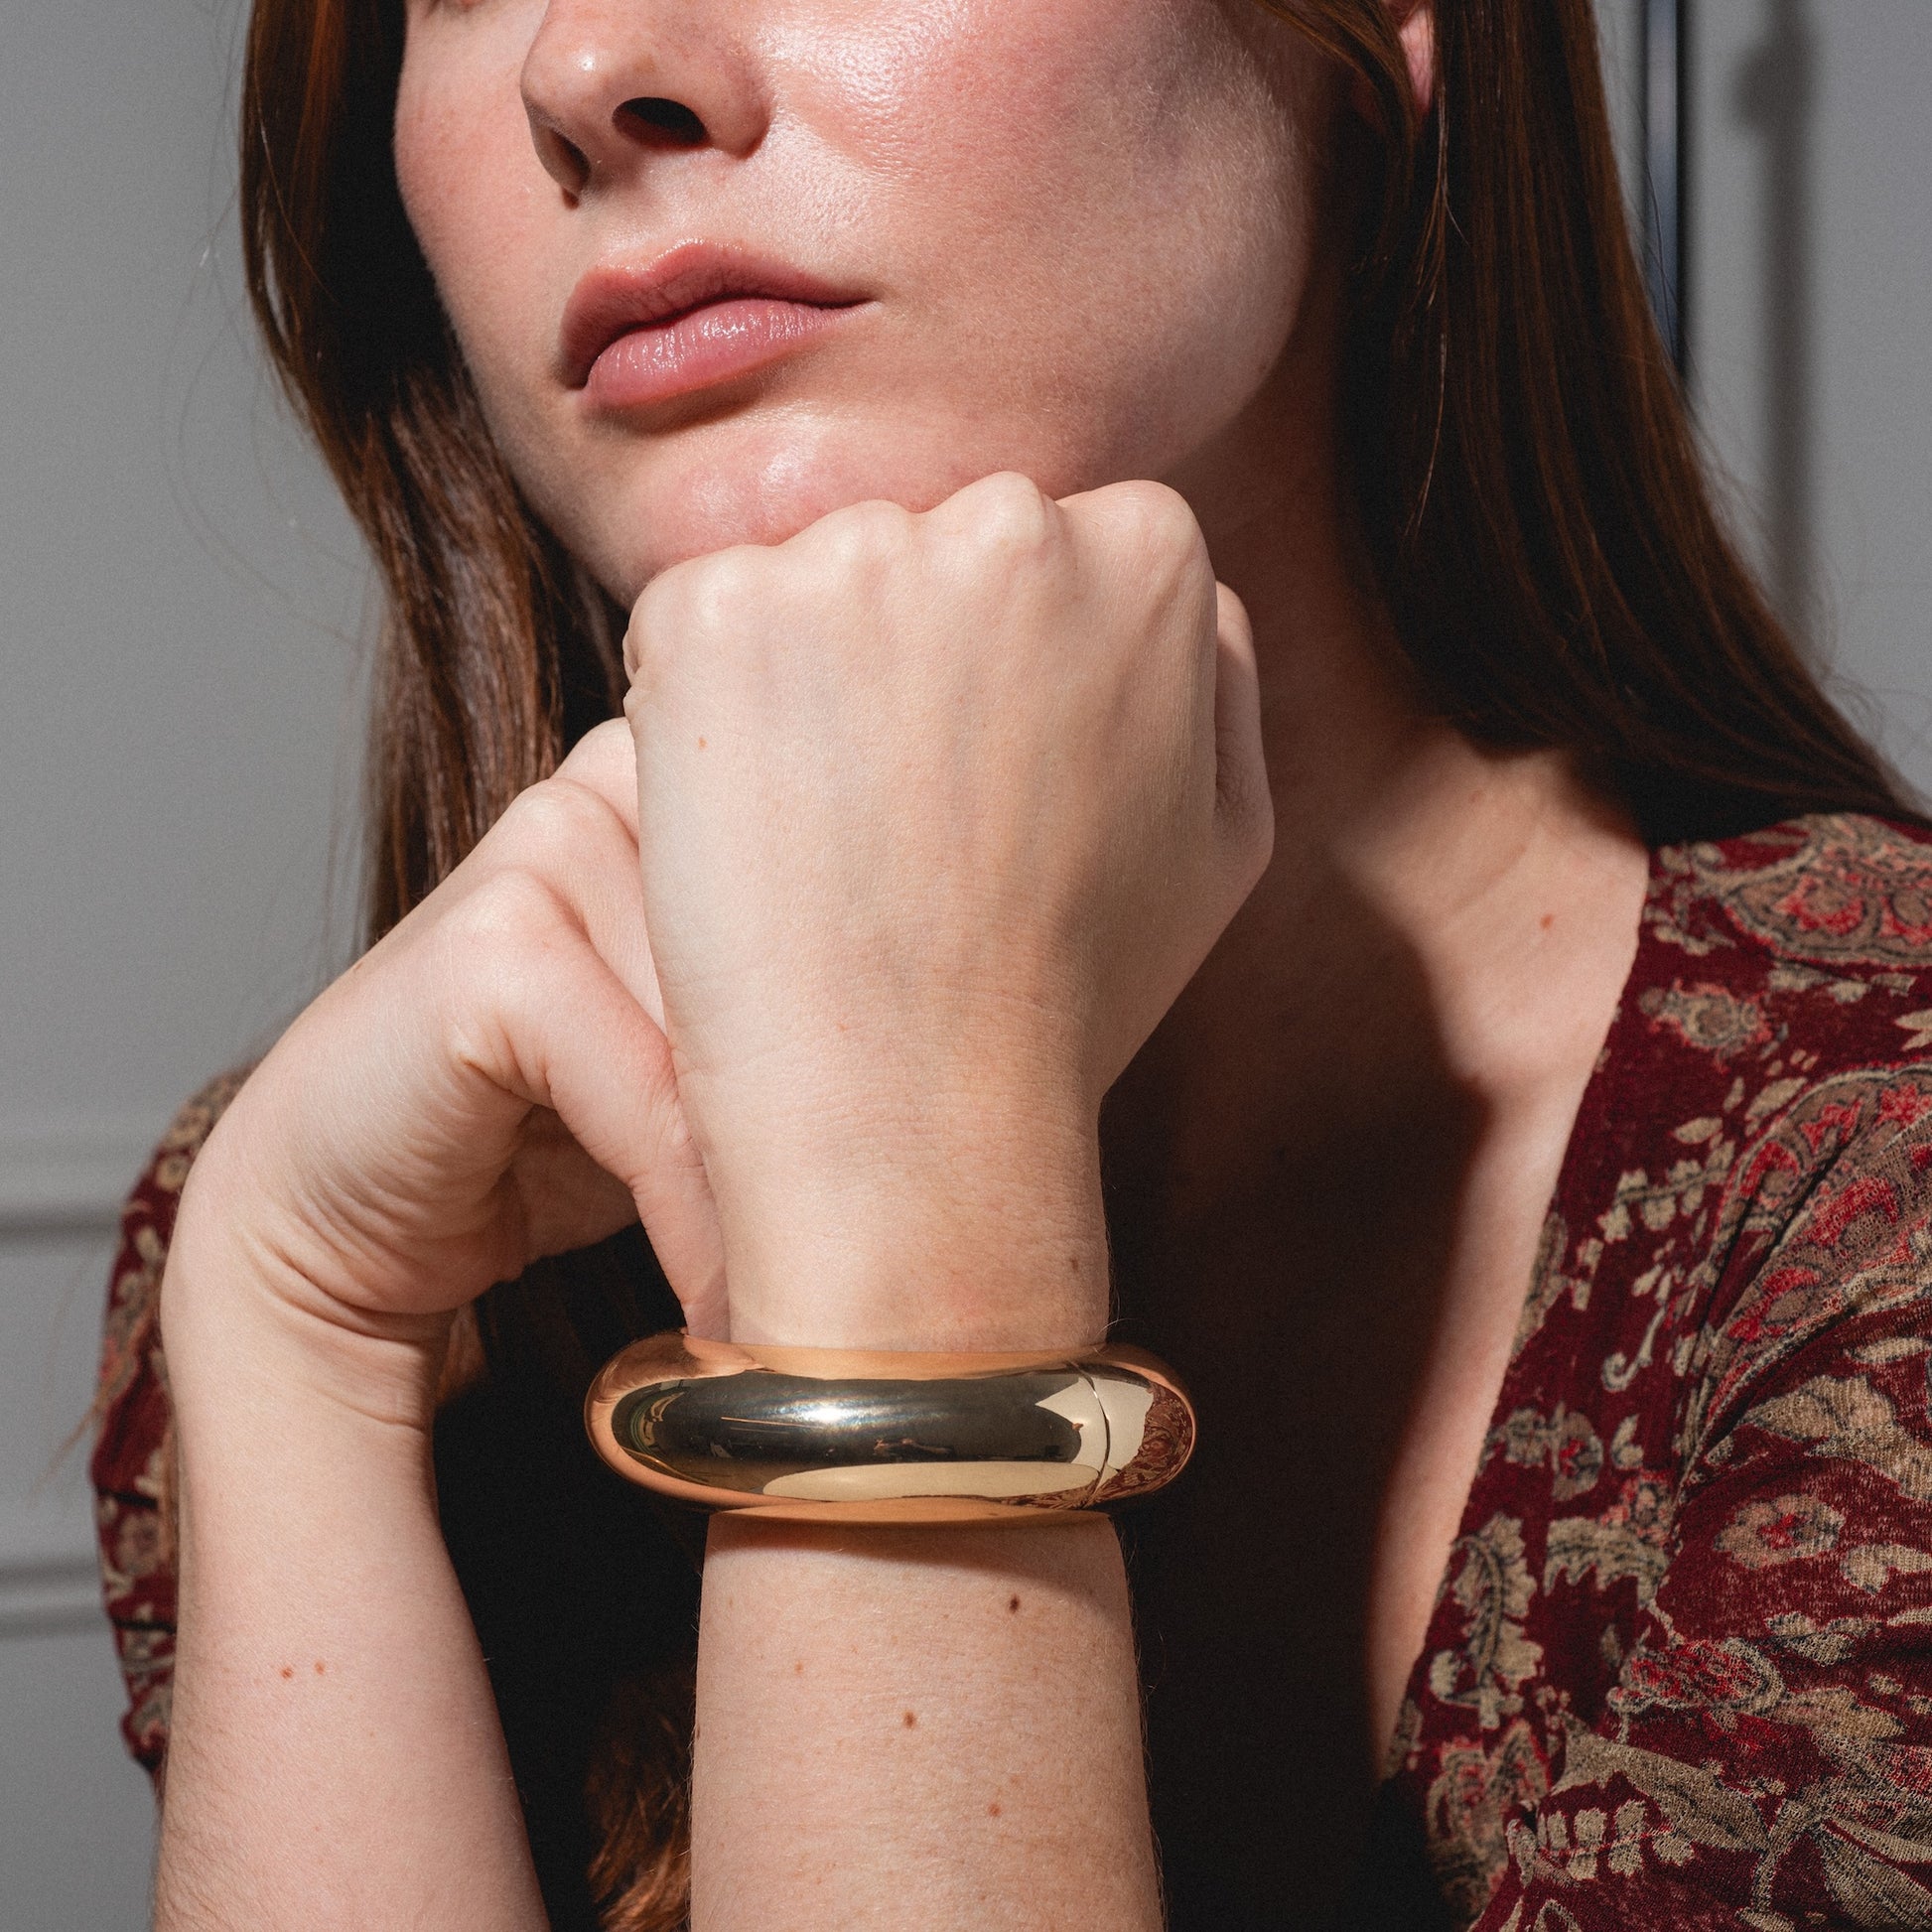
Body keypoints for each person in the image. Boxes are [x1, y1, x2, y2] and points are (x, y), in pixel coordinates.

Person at [86, 0, 1932, 1925]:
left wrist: (905, 1226)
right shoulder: (340, 1232)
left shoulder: (1873, 1184)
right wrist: (290, 1341)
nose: (587, 62)